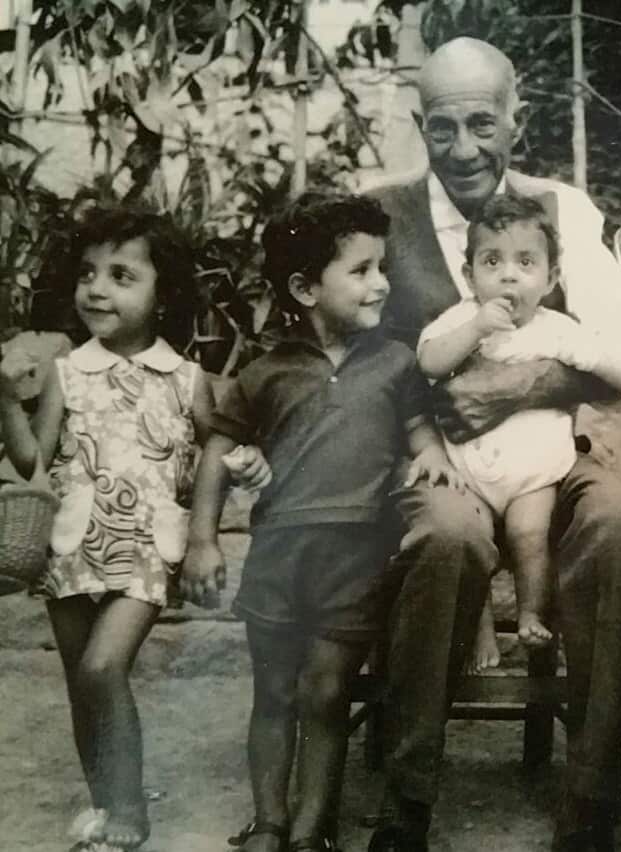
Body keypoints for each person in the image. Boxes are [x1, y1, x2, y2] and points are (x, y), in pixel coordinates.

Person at [365, 36, 621, 852]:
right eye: (442, 128)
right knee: (444, 536)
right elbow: (364, 360)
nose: (464, 149)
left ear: (515, 120)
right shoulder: (380, 215)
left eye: (482, 124)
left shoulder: (563, 210)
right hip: (438, 460)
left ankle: (589, 800)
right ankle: (407, 802)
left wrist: (523, 385)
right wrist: (426, 415)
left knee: (618, 528)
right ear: (419, 126)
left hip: (557, 448)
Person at [183, 193, 458, 852]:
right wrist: (202, 541)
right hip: (279, 555)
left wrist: (435, 461)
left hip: (356, 557)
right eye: (360, 270)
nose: (381, 282)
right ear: (305, 287)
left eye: (381, 267)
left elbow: (420, 431)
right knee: (273, 691)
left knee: (327, 692)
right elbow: (218, 454)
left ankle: (310, 832)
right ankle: (269, 822)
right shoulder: (264, 371)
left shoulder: (395, 361)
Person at [0, 206, 230, 850]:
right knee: (83, 683)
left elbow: (219, 455)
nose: (97, 289)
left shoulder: (188, 380)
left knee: (104, 669)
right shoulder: (66, 372)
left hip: (149, 548)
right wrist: (2, 400)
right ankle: (105, 809)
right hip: (71, 542)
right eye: (88, 274)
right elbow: (32, 464)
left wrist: (208, 536)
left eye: (122, 276)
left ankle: (130, 815)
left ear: (164, 296)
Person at [417, 194, 621, 651]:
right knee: (468, 538)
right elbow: (429, 360)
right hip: (469, 473)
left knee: (529, 535)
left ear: (550, 278)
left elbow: (611, 367)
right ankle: (479, 629)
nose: (508, 274)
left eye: (526, 262)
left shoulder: (556, 329)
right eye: (491, 261)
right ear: (469, 277)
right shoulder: (461, 319)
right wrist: (475, 329)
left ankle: (530, 613)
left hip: (533, 477)